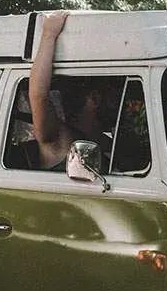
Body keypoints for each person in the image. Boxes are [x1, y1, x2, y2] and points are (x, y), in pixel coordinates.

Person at [29, 11, 116, 171]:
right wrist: (49, 35)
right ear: (95, 99)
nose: (118, 105)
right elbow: (39, 96)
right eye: (113, 97)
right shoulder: (59, 138)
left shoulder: (104, 141)